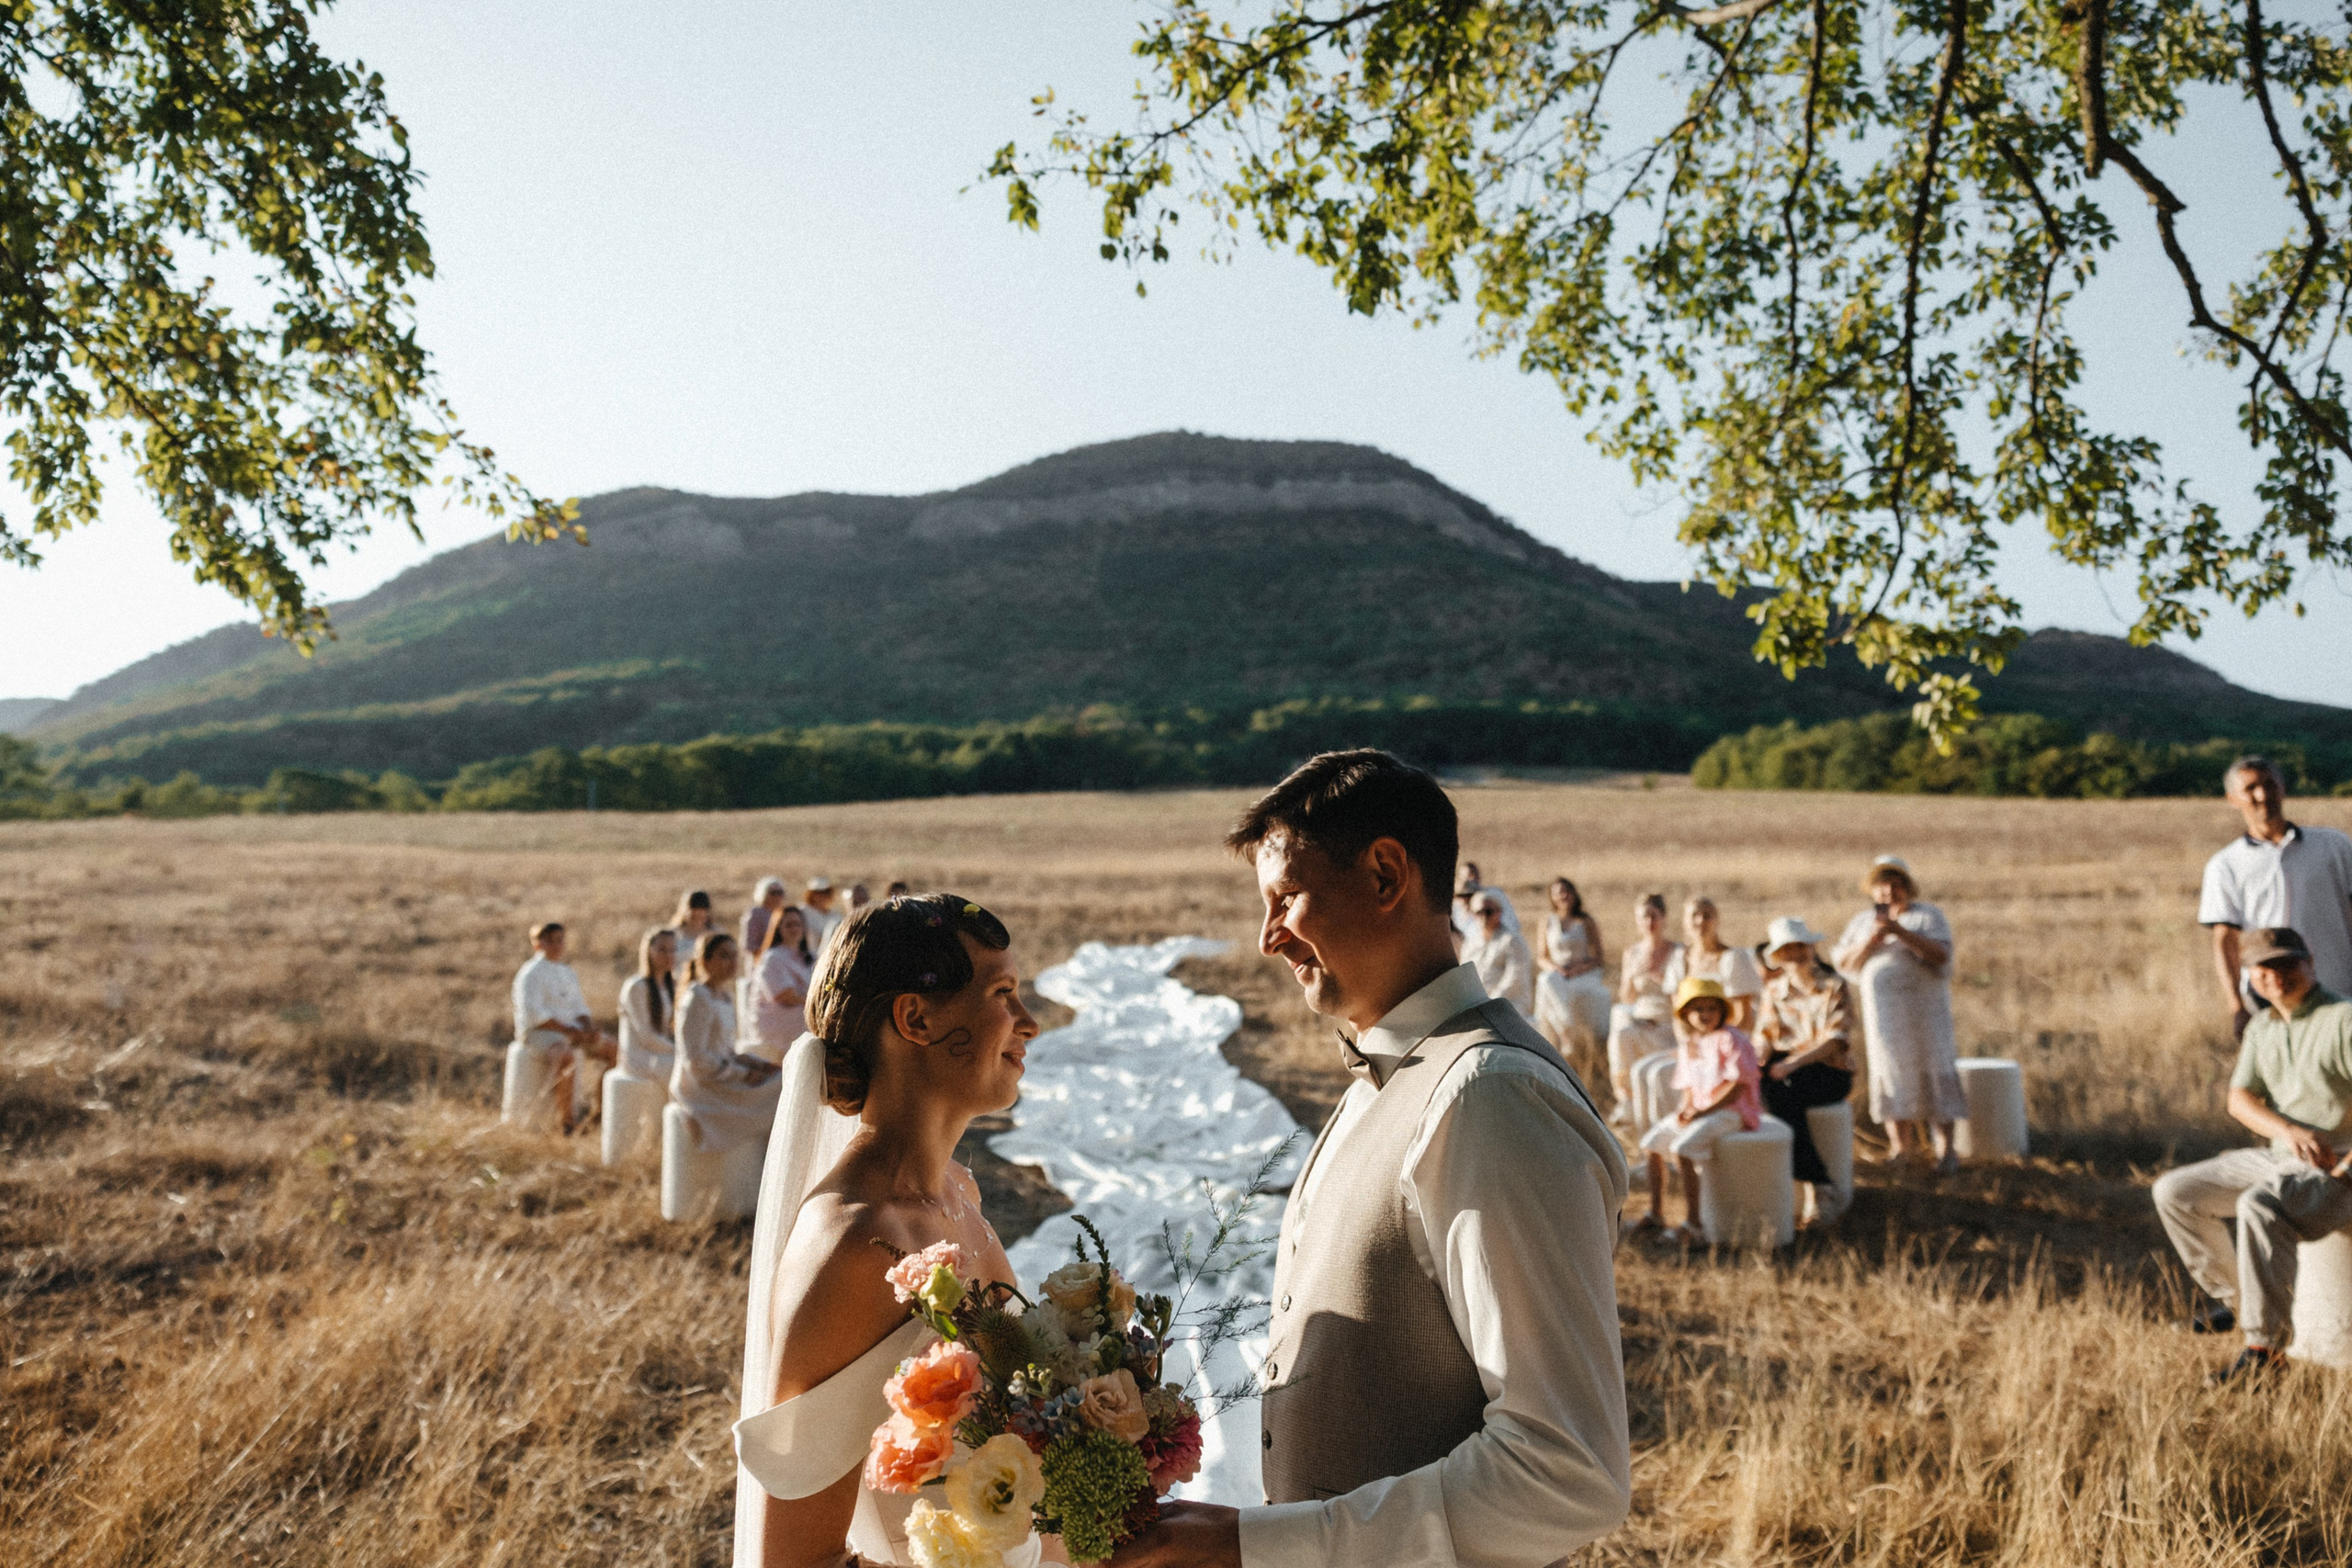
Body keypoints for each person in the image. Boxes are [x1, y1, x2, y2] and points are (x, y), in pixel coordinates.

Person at [1113, 749, 1630, 1567]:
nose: (1267, 936)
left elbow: (1567, 1472)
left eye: (1286, 898)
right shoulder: (1388, 1076)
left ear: (1387, 874)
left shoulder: (1487, 1094)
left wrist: (1258, 1546)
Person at [730, 895, 1041, 1566]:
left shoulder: (960, 1191)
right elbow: (794, 1559)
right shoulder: (851, 1246)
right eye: (1004, 993)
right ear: (917, 1016)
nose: (1030, 1023)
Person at [2153, 927, 2352, 1387]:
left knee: (2260, 1206)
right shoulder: (2263, 1026)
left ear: (2310, 964)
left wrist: (2345, 1168)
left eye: (2287, 964)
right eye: (2264, 968)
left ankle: (2265, 1352)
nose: (2276, 977)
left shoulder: (2342, 1018)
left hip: (2339, 1163)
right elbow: (2239, 1099)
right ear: (2250, 977)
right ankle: (2240, 1305)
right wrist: (2287, 1130)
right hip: (2284, 1155)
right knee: (2175, 1191)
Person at [2199, 754, 2352, 1038]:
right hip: (2271, 998)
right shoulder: (2226, 865)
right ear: (2233, 798)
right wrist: (2237, 1007)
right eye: (2250, 788)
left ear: (2282, 787)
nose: (2262, 794)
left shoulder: (2334, 846)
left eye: (2269, 784)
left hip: (2339, 990)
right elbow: (2225, 941)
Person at [1833, 855, 1963, 1173]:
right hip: (1885, 1016)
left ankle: (1945, 1152)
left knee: (1935, 1067)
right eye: (1881, 885)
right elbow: (1844, 963)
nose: (1889, 891)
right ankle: (1900, 1149)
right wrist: (1872, 940)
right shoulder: (1862, 922)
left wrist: (1900, 933)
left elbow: (1941, 954)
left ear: (1907, 887)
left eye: (1896, 884)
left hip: (1925, 1014)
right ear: (1872, 891)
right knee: (1891, 1073)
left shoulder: (1928, 916)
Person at [1628, 978, 1761, 1244]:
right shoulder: (1691, 1043)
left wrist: (1703, 1112)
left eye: (1711, 1008)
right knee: (1652, 1144)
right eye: (1697, 1009)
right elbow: (1688, 1086)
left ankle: (1695, 1225)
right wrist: (1685, 1109)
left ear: (1722, 1011)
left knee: (1682, 1149)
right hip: (1701, 1110)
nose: (1705, 1015)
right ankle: (1656, 1213)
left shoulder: (1731, 1039)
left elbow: (1736, 1085)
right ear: (1686, 1014)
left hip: (1731, 1111)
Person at [1754, 917, 1858, 1226]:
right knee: (1774, 1091)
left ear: (1811, 948)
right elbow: (1765, 1036)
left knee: (1783, 1092)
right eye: (1788, 949)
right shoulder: (1774, 991)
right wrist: (1758, 1059)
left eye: (1800, 946)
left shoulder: (1834, 986)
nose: (1795, 954)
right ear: (1779, 957)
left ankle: (1818, 1188)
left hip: (1828, 1070)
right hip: (1786, 1069)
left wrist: (1793, 1062)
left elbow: (1835, 1041)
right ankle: (1819, 1185)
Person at [670, 933, 783, 1156]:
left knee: (782, 1077)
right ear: (705, 961)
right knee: (781, 1088)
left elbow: (728, 1051)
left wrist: (759, 1065)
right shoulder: (697, 997)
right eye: (724, 956)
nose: (732, 962)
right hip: (702, 1085)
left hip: (721, 1073)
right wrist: (742, 1075)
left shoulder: (725, 996)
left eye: (734, 956)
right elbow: (695, 1060)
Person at [511, 921, 614, 1134]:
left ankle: (599, 1114)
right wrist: (567, 1031)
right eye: (550, 941)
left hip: (573, 1031)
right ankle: (567, 1122)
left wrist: (588, 1027)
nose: (557, 945)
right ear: (538, 944)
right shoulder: (530, 973)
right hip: (542, 1034)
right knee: (566, 1057)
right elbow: (536, 1016)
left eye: (560, 940)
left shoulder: (567, 972)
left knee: (616, 1052)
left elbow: (579, 1006)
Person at [1606, 893, 1684, 1126]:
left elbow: (1685, 996)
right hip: (1642, 1018)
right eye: (1644, 917)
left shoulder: (1678, 952)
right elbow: (1626, 997)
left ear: (1664, 919)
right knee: (1621, 1033)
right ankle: (1626, 1101)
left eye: (1654, 916)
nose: (1650, 923)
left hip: (1670, 1022)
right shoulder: (1632, 953)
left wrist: (1660, 979)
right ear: (1638, 921)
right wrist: (1632, 975)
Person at [1534, 877, 1611, 1088]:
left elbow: (1599, 956)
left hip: (1583, 973)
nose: (1563, 896)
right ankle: (1565, 1030)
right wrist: (1557, 968)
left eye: (1566, 891)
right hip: (1559, 972)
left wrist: (1580, 968)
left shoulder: (1585, 921)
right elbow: (1542, 956)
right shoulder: (1547, 922)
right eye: (1557, 892)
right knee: (1546, 979)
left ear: (1574, 893)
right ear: (1552, 897)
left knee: (1560, 986)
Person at [1665, 896, 1763, 1031]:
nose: (1700, 921)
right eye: (1694, 915)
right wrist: (1689, 1043)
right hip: (1693, 1042)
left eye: (1707, 915)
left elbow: (1744, 1019)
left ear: (1717, 921)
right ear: (1684, 922)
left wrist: (1715, 1043)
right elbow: (1678, 1016)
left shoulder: (1734, 958)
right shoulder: (1678, 959)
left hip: (1731, 1039)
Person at [741, 906, 817, 1066]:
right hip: (777, 1022)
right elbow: (785, 996)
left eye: (798, 924)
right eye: (789, 925)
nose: (794, 928)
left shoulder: (809, 958)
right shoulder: (772, 957)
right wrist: (817, 1003)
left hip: (799, 1013)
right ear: (778, 928)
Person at [617, 927, 680, 1085]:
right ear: (649, 951)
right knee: (679, 1068)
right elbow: (646, 1035)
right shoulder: (636, 987)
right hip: (640, 1056)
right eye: (662, 950)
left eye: (672, 950)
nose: (668, 955)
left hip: (664, 1052)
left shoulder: (673, 986)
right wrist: (678, 1051)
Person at [1461, 890, 1535, 1016]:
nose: (1484, 916)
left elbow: (1515, 979)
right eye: (1479, 912)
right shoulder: (1469, 944)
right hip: (1476, 1004)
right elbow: (1464, 976)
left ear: (1499, 912)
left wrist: (1490, 1001)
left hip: (1508, 1003)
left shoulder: (1513, 940)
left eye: (1488, 912)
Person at [1450, 861, 1520, 942]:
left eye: (1468, 895)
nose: (1472, 879)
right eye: (1461, 896)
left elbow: (1511, 926)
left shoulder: (1491, 900)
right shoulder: (1454, 909)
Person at [671, 890, 716, 979]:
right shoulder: (673, 934)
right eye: (694, 917)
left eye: (701, 916)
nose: (698, 921)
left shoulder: (715, 934)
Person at [741, 876, 789, 957]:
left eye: (780, 892)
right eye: (773, 893)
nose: (777, 896)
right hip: (760, 961)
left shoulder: (784, 913)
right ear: (764, 894)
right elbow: (750, 944)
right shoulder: (755, 913)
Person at [801, 877, 842, 953]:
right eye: (817, 893)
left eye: (825, 893)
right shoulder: (803, 912)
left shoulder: (835, 916)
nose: (821, 896)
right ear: (811, 894)